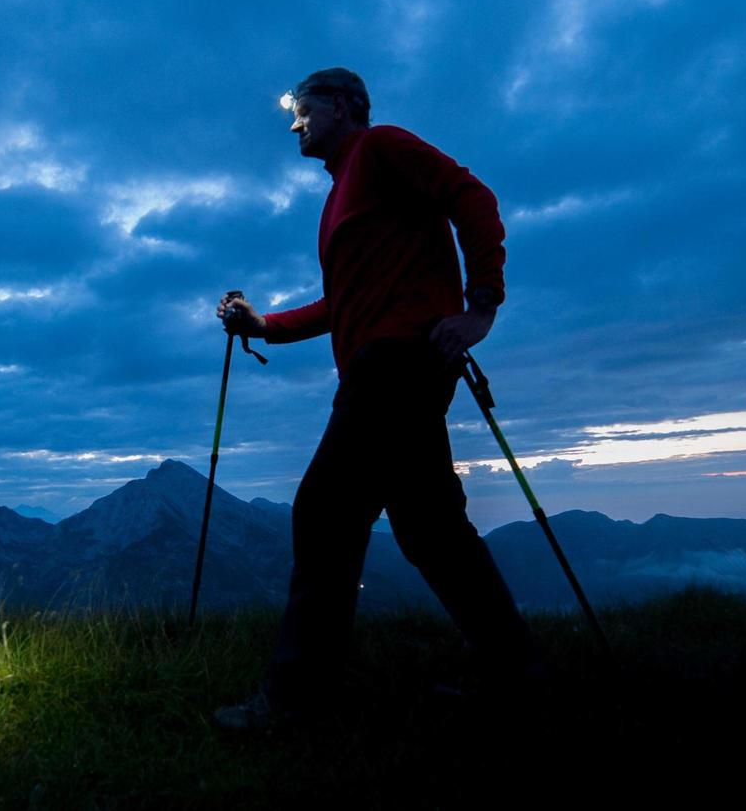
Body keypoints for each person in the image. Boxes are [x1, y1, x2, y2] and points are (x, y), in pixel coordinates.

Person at [213, 67, 538, 730]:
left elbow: (469, 194)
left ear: (341, 105)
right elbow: (346, 302)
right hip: (394, 362)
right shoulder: (342, 192)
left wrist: (481, 307)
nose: (294, 123)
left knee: (326, 512)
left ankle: (296, 702)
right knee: (431, 530)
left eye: (302, 110)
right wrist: (264, 325)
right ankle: (517, 682)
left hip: (395, 363)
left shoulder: (380, 146)